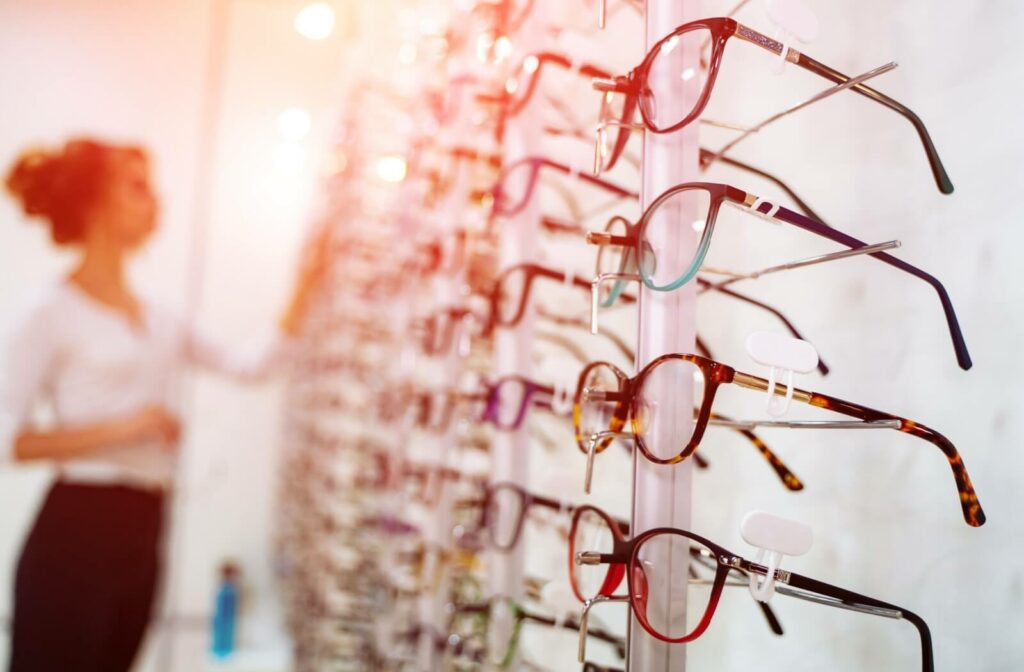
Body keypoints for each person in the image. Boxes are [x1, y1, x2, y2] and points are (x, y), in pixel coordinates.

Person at [0, 138, 324, 671]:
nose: (156, 201)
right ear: (96, 201)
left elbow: (249, 365)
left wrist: (305, 289)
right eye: (138, 188)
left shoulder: (158, 316)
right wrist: (127, 426)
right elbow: (10, 439)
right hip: (77, 524)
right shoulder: (50, 312)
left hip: (144, 521)